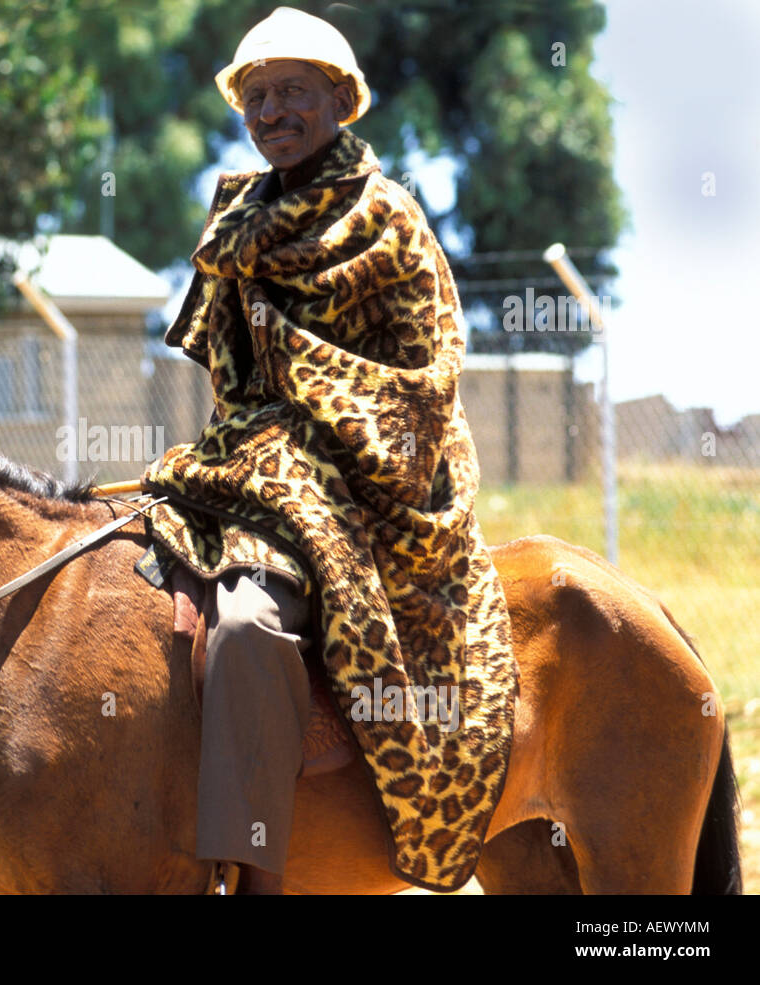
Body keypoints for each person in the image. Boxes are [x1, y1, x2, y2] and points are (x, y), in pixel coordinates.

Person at [144, 6, 514, 895]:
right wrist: (253, 440)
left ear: (342, 101)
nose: (272, 111)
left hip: (370, 476)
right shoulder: (235, 220)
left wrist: (301, 395)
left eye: (294, 92)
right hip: (251, 463)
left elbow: (428, 381)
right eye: (258, 96)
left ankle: (259, 877)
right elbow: (232, 380)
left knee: (244, 623)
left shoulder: (387, 218)